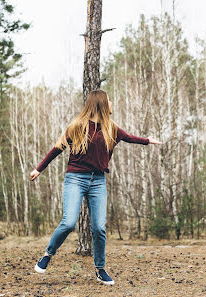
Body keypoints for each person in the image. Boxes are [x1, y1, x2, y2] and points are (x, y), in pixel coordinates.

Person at [29, 90, 162, 285]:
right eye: (109, 101)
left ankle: (100, 269)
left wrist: (147, 141)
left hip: (98, 181)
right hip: (75, 178)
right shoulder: (77, 126)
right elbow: (57, 149)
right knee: (68, 222)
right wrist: (39, 169)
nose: (112, 103)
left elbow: (130, 138)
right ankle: (48, 255)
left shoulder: (111, 128)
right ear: (100, 104)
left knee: (99, 227)